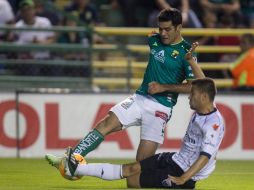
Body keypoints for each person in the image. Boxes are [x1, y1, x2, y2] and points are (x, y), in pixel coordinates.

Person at [46, 8, 205, 173]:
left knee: (141, 166)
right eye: (160, 29)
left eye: (167, 29)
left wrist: (163, 87)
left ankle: (168, 173)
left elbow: (194, 85)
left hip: (161, 108)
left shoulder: (186, 52)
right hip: (140, 98)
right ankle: (70, 160)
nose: (163, 33)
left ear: (179, 27)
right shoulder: (154, 39)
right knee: (106, 123)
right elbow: (153, 38)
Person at [46, 78, 224, 189]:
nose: (188, 97)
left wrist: (183, 179)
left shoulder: (213, 124)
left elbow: (205, 156)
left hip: (184, 172)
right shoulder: (204, 109)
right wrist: (192, 61)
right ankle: (72, 167)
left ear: (203, 98)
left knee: (132, 181)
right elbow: (204, 83)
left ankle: (72, 167)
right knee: (131, 169)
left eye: (192, 94)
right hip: (176, 159)